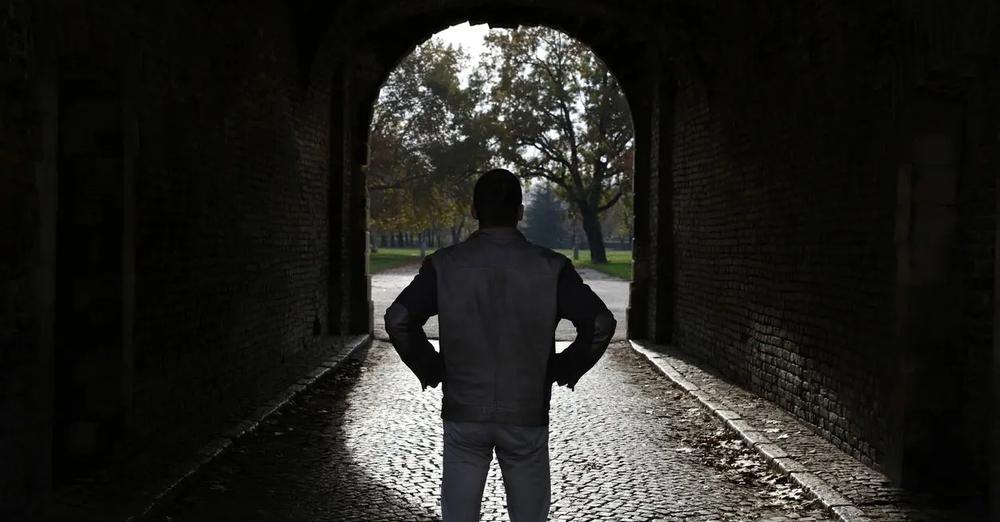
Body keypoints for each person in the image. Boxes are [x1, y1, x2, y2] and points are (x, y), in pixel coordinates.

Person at [383, 168, 617, 522]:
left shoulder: (444, 265)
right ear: (520, 212)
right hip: (526, 408)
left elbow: (399, 319)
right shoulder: (552, 267)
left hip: (464, 407)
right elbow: (599, 323)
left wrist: (432, 367)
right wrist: (562, 368)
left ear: (473, 211)